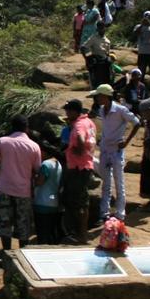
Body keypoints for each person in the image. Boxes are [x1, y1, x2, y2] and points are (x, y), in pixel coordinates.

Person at [0, 114, 42, 251]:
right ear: (27, 128)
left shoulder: (2, 142)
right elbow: (37, 170)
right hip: (24, 191)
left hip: (5, 188)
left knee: (5, 222)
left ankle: (7, 252)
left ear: (12, 127)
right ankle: (22, 253)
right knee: (23, 223)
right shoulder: (34, 146)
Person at [90, 84, 139, 221]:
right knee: (106, 183)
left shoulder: (120, 109)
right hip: (105, 149)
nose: (97, 99)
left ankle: (120, 213)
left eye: (99, 96)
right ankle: (104, 213)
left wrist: (126, 142)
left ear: (106, 96)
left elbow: (137, 123)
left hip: (117, 150)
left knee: (119, 182)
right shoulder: (101, 109)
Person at [60, 99, 97, 243]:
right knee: (81, 200)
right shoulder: (89, 122)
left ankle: (80, 235)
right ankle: (80, 233)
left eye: (68, 111)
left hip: (78, 168)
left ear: (75, 111)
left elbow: (81, 139)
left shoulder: (78, 125)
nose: (67, 113)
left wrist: (78, 149)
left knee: (77, 202)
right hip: (85, 165)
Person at [33, 143, 64, 245]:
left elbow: (40, 182)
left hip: (42, 202)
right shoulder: (58, 164)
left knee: (42, 232)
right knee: (51, 231)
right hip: (54, 202)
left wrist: (33, 179)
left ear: (44, 152)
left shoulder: (46, 164)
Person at [82, 21, 115, 91]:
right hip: (96, 60)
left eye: (102, 28)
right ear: (97, 29)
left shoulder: (107, 41)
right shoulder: (93, 38)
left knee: (110, 76)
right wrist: (88, 58)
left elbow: (108, 53)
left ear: (104, 29)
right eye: (99, 28)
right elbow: (84, 47)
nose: (101, 30)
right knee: (96, 80)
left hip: (105, 61)